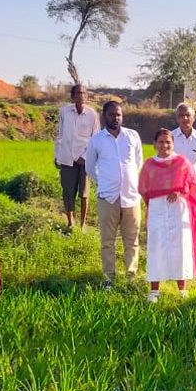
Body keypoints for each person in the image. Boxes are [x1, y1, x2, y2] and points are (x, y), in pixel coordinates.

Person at [139, 129, 196, 302]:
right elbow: (144, 188)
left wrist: (180, 191)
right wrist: (160, 195)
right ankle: (154, 291)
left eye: (168, 142)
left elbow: (192, 184)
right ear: (154, 144)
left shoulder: (181, 162)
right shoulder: (150, 164)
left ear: (173, 144)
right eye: (161, 142)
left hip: (178, 210)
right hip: (157, 209)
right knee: (156, 247)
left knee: (180, 247)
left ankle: (182, 290)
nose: (164, 145)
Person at [85, 100, 144, 287]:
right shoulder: (96, 141)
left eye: (118, 114)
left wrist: (128, 181)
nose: (115, 118)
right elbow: (89, 167)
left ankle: (130, 277)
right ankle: (109, 278)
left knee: (132, 240)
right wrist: (105, 182)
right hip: (107, 198)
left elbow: (138, 162)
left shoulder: (132, 136)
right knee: (107, 241)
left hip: (131, 197)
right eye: (111, 114)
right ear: (105, 116)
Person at [53, 83, 101, 233]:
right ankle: (70, 222)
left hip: (84, 160)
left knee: (84, 193)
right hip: (67, 157)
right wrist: (57, 155)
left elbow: (96, 138)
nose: (82, 96)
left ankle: (83, 224)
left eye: (84, 93)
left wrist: (85, 157)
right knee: (68, 191)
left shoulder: (92, 114)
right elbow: (60, 136)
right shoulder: (65, 112)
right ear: (73, 96)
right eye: (79, 93)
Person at [171, 103, 196, 170]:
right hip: (175, 179)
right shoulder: (170, 137)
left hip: (195, 179)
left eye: (188, 115)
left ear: (194, 117)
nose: (185, 118)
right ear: (177, 118)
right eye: (181, 115)